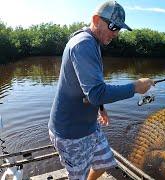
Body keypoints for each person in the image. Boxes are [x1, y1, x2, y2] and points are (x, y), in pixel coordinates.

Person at [48, 1, 154, 179]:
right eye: (113, 26)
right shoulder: (83, 44)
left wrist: (101, 108)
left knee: (105, 162)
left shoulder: (93, 43)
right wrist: (135, 87)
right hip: (71, 132)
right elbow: (96, 93)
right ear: (96, 19)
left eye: (119, 28)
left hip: (89, 125)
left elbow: (93, 86)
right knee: (77, 177)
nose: (116, 33)